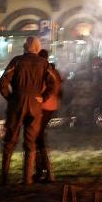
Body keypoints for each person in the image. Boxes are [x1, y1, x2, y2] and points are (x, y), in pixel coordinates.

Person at [0, 36, 58, 185]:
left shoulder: (16, 61)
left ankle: (4, 178)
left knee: (10, 140)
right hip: (35, 104)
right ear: (37, 48)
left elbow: (2, 82)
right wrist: (43, 97)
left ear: (25, 47)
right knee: (30, 141)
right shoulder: (44, 63)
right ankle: (27, 178)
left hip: (17, 103)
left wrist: (10, 97)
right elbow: (53, 83)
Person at [33, 49, 65, 183]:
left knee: (38, 137)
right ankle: (41, 171)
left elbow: (52, 87)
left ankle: (46, 171)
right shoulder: (53, 70)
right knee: (38, 137)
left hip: (44, 107)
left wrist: (43, 97)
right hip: (51, 107)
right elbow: (60, 91)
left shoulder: (44, 70)